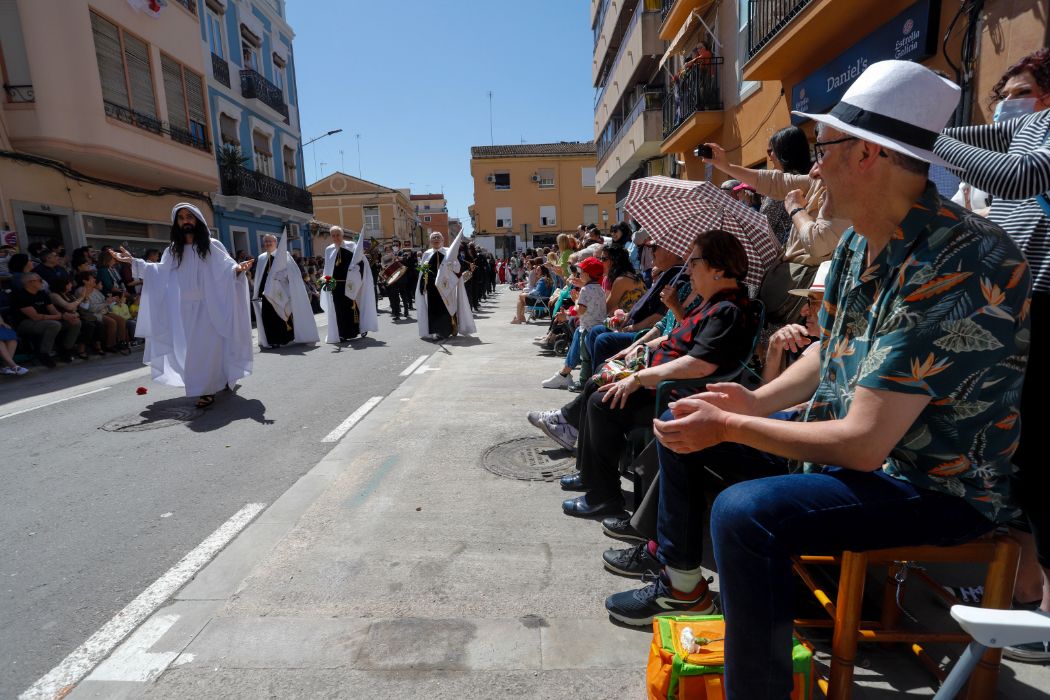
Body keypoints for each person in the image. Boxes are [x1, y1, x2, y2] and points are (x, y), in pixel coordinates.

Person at [610, 62, 1030, 698]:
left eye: (820, 150)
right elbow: (826, 353)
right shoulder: (862, 243)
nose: (811, 169)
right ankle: (685, 583)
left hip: (934, 485)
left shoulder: (967, 259)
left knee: (745, 512)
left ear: (867, 155)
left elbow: (864, 444)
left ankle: (761, 682)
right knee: (683, 426)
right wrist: (753, 400)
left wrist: (735, 421)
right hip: (866, 457)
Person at [933, 47, 1050, 662]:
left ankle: (1047, 610)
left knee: (1042, 460)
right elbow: (965, 135)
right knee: (1022, 457)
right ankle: (1026, 591)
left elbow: (1015, 178)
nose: (1010, 101)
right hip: (1018, 303)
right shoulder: (1023, 126)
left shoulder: (1043, 133)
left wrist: (929, 139)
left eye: (1023, 89)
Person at [531, 230, 760, 519]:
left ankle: (604, 497)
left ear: (717, 267)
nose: (688, 269)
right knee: (595, 383)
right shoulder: (714, 303)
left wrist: (637, 378)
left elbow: (699, 365)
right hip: (664, 382)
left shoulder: (727, 310)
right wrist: (633, 353)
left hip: (675, 393)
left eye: (694, 262)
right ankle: (591, 478)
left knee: (602, 403)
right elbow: (676, 338)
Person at [111, 203, 254, 408]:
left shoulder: (213, 245)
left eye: (189, 216)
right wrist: (132, 261)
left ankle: (206, 390)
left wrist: (239, 269)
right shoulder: (173, 251)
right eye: (181, 218)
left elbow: (228, 270)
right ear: (177, 223)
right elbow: (158, 273)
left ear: (197, 220)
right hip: (185, 308)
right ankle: (216, 381)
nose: (186, 220)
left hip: (211, 305)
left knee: (207, 348)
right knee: (195, 349)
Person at [541, 256, 606, 388]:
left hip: (587, 328)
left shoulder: (585, 290)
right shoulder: (599, 288)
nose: (578, 274)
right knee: (587, 356)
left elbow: (581, 309)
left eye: (580, 272)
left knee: (585, 358)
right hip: (596, 326)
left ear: (586, 274)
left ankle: (583, 382)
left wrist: (567, 314)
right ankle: (568, 376)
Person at [252, 233, 319, 350]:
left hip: (281, 293)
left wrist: (283, 275)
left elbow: (294, 274)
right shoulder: (262, 258)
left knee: (281, 315)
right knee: (268, 318)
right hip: (266, 294)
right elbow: (259, 277)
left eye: (270, 241)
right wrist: (257, 292)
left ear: (276, 243)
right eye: (266, 242)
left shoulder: (284, 256)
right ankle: (271, 340)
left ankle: (284, 338)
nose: (268, 243)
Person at [415, 231, 477, 341]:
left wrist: (451, 265)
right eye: (433, 238)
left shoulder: (449, 252)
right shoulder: (427, 254)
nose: (436, 239)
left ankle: (449, 329)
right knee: (433, 309)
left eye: (438, 237)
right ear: (430, 241)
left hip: (447, 286)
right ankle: (436, 331)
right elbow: (422, 273)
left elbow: (457, 268)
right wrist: (423, 285)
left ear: (443, 240)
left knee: (448, 308)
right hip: (432, 288)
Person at [11, 272, 81, 366]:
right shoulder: (20, 296)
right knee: (54, 325)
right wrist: (61, 316)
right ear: (30, 282)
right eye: (40, 280)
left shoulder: (42, 293)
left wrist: (66, 317)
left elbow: (52, 310)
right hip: (25, 323)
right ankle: (44, 353)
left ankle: (66, 349)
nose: (42, 282)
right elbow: (35, 316)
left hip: (45, 319)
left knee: (75, 322)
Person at [762, 126, 815, 246]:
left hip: (791, 257)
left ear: (784, 153)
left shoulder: (781, 187)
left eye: (772, 151)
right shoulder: (817, 177)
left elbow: (764, 225)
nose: (770, 157)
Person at [321, 226, 371, 342]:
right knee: (338, 309)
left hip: (351, 284)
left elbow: (362, 262)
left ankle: (358, 328)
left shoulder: (351, 246)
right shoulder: (329, 249)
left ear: (342, 235)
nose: (335, 237)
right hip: (335, 285)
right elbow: (327, 267)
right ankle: (342, 333)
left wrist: (356, 268)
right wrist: (325, 279)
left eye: (338, 234)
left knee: (352, 307)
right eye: (333, 235)